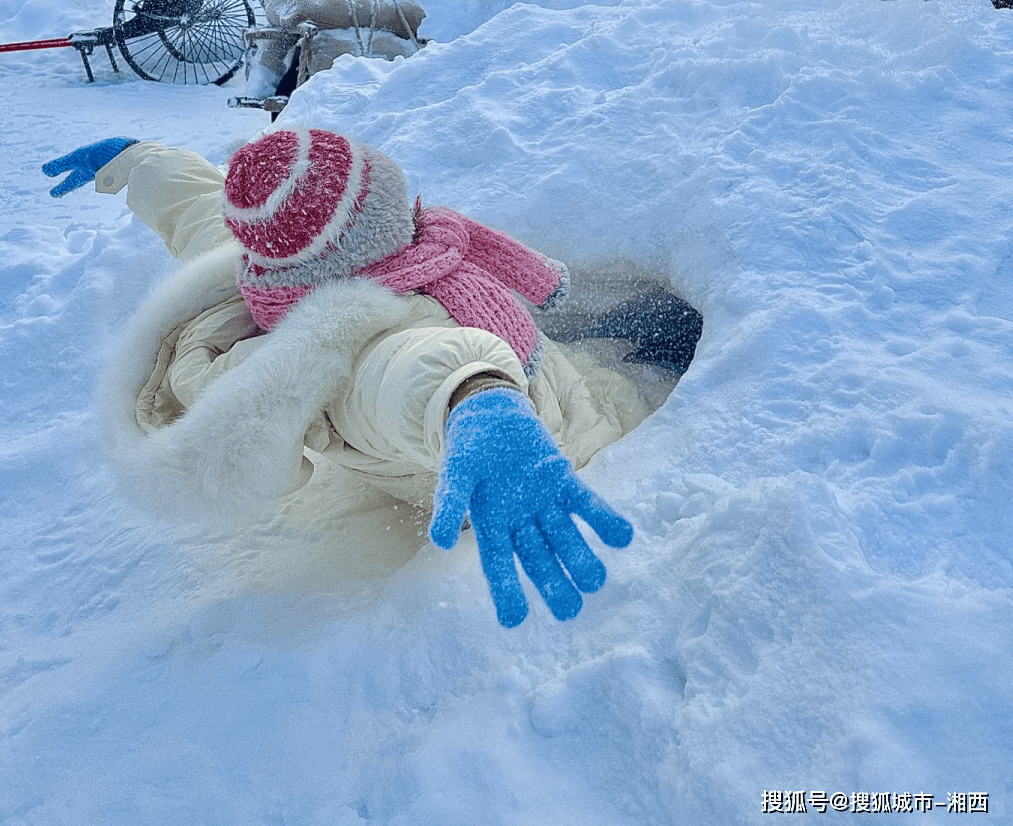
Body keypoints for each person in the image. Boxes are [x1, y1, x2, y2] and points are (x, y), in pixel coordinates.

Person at [43, 129, 645, 627]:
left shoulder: (278, 268)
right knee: (632, 389)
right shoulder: (354, 347)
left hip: (509, 410)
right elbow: (407, 371)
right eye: (396, 207)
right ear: (368, 242)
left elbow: (200, 211)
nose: (415, 212)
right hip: (524, 467)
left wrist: (141, 162)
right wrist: (473, 399)